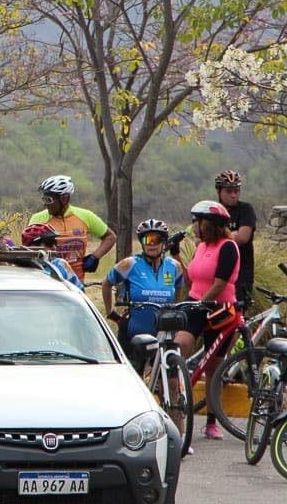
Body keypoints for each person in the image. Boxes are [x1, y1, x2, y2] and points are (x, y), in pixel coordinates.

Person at [172, 200, 240, 441]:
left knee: (214, 367)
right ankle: (175, 394)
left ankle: (212, 422)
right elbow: (192, 278)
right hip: (197, 303)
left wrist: (203, 303)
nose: (194, 227)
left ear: (209, 224)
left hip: (219, 308)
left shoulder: (228, 247)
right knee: (180, 344)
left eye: (197, 222)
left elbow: (220, 283)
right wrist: (176, 255)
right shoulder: (202, 247)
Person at [101, 219, 184, 368]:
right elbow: (106, 283)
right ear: (142, 242)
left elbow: (179, 287)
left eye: (156, 239)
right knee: (132, 375)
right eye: (147, 239)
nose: (151, 244)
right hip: (134, 331)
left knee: (170, 375)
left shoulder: (174, 266)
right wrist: (110, 312)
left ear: (164, 242)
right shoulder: (130, 264)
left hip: (164, 331)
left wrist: (174, 307)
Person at [29, 175, 116, 282]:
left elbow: (110, 237)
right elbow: (27, 250)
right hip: (48, 283)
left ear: (64, 198)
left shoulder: (86, 216)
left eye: (49, 200)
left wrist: (95, 257)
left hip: (76, 284)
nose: (45, 204)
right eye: (43, 199)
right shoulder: (38, 219)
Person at [214, 170, 257, 306]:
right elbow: (199, 240)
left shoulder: (245, 209)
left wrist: (215, 238)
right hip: (216, 271)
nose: (233, 195)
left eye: (236, 191)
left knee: (237, 313)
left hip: (242, 272)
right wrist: (231, 235)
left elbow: (243, 237)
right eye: (229, 191)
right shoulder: (213, 210)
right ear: (219, 191)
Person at [21, 223, 84, 290]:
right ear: (33, 246)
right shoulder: (17, 270)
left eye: (55, 242)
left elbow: (80, 291)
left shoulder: (60, 264)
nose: (54, 247)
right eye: (49, 243)